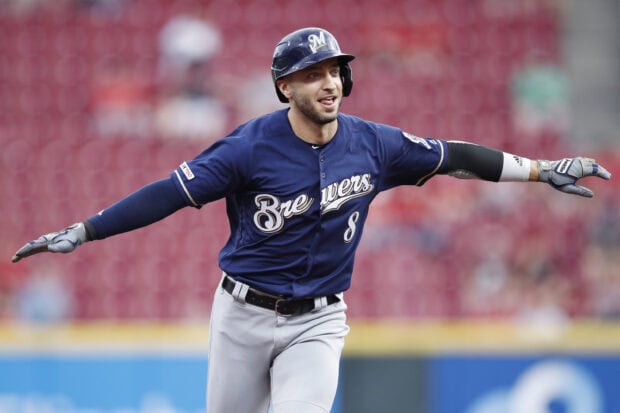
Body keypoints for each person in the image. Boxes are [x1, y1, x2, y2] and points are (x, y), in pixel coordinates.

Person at [11, 27, 611, 413]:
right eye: (312, 74)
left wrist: (536, 169)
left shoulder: (374, 144)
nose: (329, 82)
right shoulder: (248, 148)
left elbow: (455, 157)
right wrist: (86, 230)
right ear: (283, 87)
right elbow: (168, 194)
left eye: (334, 71)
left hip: (318, 321)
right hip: (241, 315)